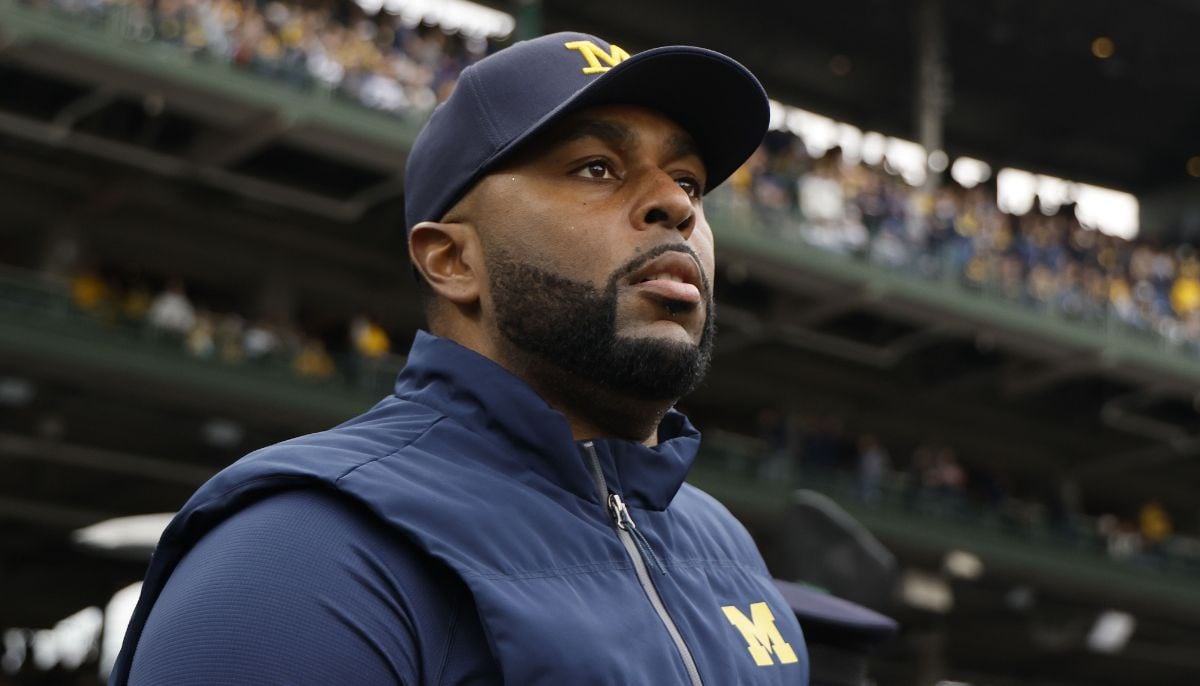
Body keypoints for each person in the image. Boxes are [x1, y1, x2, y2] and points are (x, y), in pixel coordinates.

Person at [109, 32, 808, 685]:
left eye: (689, 181)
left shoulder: (728, 550)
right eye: (597, 168)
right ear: (451, 261)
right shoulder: (299, 551)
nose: (674, 205)